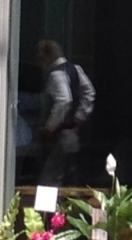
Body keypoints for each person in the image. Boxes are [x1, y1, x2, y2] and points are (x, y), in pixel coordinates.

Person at [35, 39, 95, 186]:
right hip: (72, 133)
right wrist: (80, 116)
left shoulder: (56, 74)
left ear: (47, 56)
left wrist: (49, 127)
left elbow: (64, 100)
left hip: (59, 134)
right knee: (69, 175)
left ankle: (50, 202)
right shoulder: (75, 69)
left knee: (49, 178)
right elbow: (89, 93)